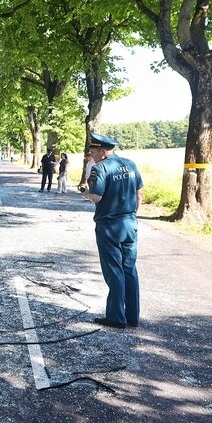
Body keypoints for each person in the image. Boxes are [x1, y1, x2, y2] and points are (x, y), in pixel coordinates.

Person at [81, 134, 144, 329]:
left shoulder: (101, 169)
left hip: (109, 225)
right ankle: (132, 316)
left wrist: (84, 191)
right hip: (129, 223)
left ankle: (116, 317)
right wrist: (132, 214)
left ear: (104, 151)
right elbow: (139, 193)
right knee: (129, 269)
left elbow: (96, 197)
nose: (91, 154)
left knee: (114, 270)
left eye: (93, 150)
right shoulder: (130, 164)